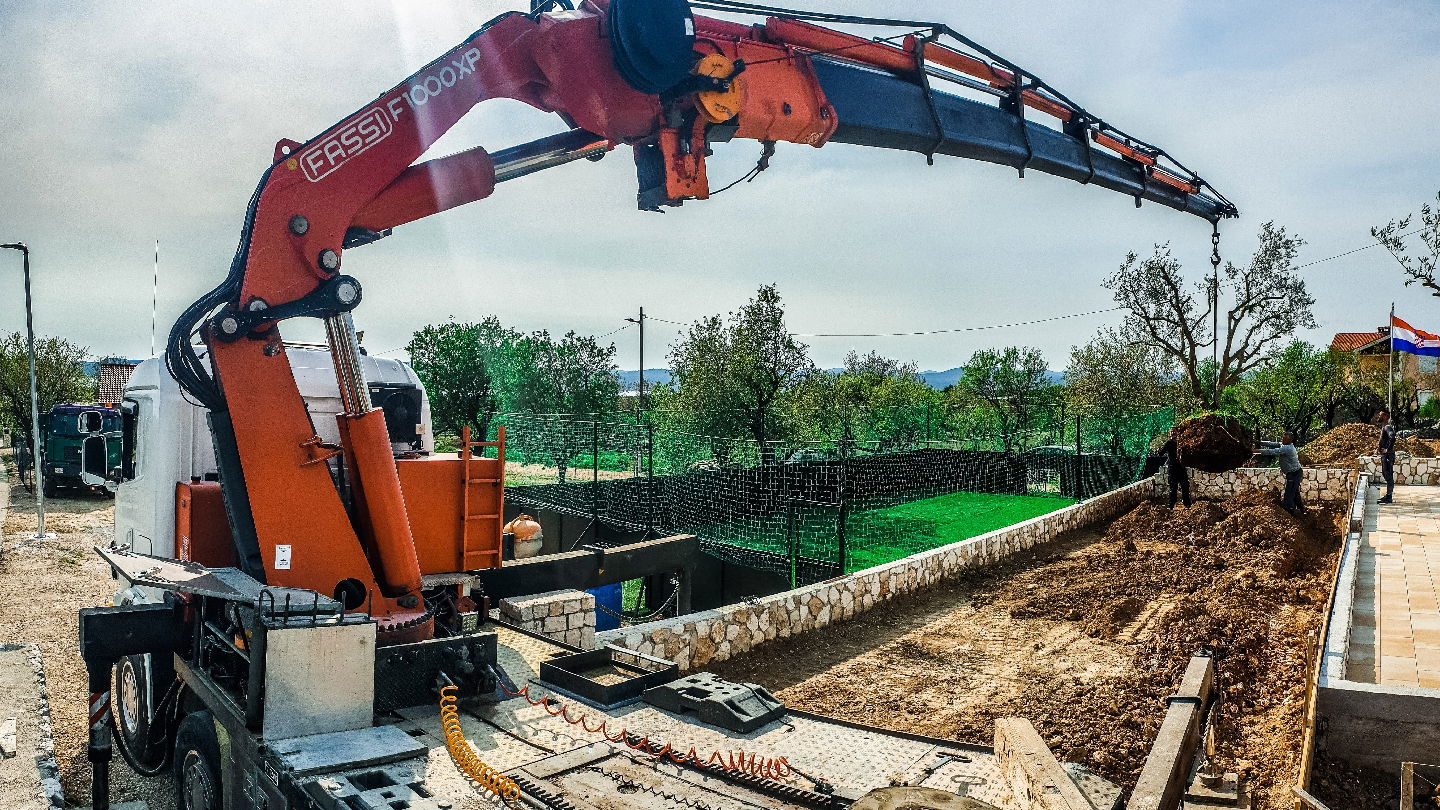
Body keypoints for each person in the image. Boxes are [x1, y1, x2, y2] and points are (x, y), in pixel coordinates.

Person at [1257, 431, 1305, 514]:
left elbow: (1272, 451)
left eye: (1285, 438)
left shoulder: (1287, 448)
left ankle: (1289, 511)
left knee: (1289, 494)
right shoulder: (1284, 445)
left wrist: (1256, 451)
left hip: (1294, 474)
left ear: (1289, 440)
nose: (1282, 439)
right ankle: (1302, 511)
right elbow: (1271, 444)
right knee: (1295, 493)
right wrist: (1259, 442)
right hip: (1294, 473)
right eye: (1283, 437)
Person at [1158, 433, 1190, 508]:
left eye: (1174, 433)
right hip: (1172, 468)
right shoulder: (1168, 443)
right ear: (1170, 434)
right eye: (1171, 433)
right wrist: (1159, 449)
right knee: (1173, 487)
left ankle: (1187, 503)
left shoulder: (1182, 442)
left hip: (1181, 468)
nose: (1173, 434)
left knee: (1185, 486)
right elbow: (1161, 453)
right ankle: (1171, 505)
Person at [1376, 410, 1396, 504]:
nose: (1378, 416)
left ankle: (1389, 497)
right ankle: (1388, 496)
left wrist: (1387, 449)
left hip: (1388, 455)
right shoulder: (1384, 427)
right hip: (1386, 454)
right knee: (1386, 474)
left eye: (1380, 415)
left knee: (1388, 475)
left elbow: (1392, 437)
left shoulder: (1387, 427)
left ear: (1385, 416)